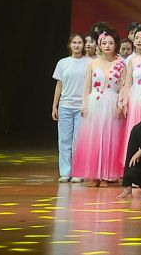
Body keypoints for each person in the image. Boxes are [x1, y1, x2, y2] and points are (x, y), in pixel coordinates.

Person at [73, 32, 128, 185]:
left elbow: (124, 86)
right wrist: (84, 105)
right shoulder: (93, 63)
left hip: (112, 102)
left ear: (115, 45)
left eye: (110, 43)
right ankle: (94, 175)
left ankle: (107, 174)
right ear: (99, 45)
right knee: (94, 138)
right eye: (104, 43)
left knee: (110, 138)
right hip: (95, 103)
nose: (107, 46)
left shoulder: (121, 63)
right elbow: (87, 86)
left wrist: (120, 104)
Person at [52, 33, 89, 182]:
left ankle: (78, 172)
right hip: (65, 106)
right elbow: (59, 85)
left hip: (82, 107)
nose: (77, 45)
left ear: (84, 45)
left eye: (79, 42)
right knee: (64, 140)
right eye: (74, 42)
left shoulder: (89, 62)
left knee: (78, 141)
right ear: (69, 45)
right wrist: (54, 106)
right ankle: (65, 172)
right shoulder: (63, 63)